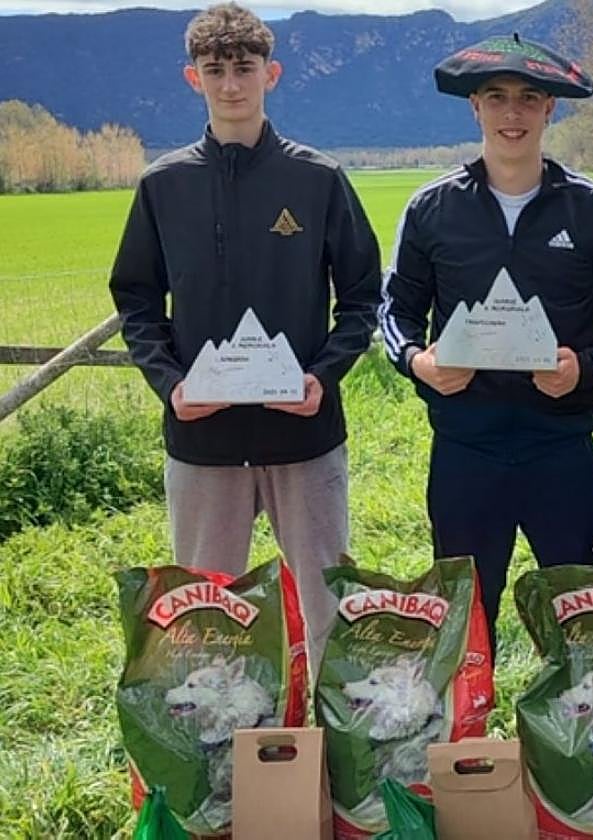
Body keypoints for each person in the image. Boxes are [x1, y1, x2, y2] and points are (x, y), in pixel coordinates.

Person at [109, 2, 380, 665]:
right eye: (215, 69)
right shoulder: (163, 185)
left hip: (305, 435)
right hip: (204, 439)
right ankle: (219, 732)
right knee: (207, 612)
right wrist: (171, 386)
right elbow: (136, 297)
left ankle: (330, 730)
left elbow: (362, 296)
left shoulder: (318, 179)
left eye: (244, 67)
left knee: (326, 604)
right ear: (192, 78)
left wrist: (323, 377)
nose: (230, 84)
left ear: (271, 73)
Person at [378, 36, 593, 647]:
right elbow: (394, 311)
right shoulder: (431, 208)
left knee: (586, 612)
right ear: (474, 106)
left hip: (562, 448)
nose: (513, 113)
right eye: (497, 97)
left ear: (550, 109)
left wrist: (586, 369)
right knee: (464, 620)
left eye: (529, 97)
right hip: (465, 451)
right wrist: (419, 361)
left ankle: (586, 712)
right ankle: (469, 713)